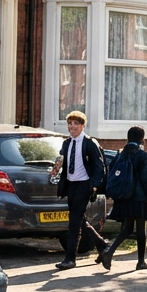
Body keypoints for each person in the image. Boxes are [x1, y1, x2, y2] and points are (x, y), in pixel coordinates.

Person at [51, 111, 108, 270]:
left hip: (84, 184)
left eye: (76, 124)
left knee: (74, 222)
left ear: (83, 125)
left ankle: (70, 259)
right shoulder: (67, 143)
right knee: (79, 219)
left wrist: (94, 185)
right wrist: (56, 167)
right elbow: (62, 158)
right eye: (70, 123)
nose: (72, 127)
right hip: (71, 185)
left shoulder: (90, 143)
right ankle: (102, 244)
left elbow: (99, 166)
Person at [100, 126, 147, 271]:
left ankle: (109, 251)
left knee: (126, 229)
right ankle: (141, 262)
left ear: (128, 138)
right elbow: (146, 178)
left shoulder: (120, 154)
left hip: (124, 197)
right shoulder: (142, 155)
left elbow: (112, 172)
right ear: (142, 138)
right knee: (141, 230)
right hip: (138, 197)